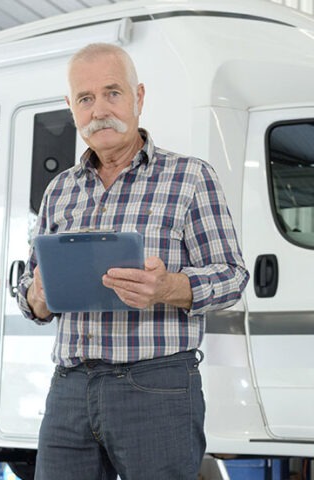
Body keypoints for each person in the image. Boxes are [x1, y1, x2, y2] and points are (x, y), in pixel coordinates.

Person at [17, 42, 249, 480]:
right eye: (85, 99)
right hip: (69, 387)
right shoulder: (59, 190)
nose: (99, 109)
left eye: (112, 92)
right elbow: (34, 298)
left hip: (157, 387)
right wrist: (38, 294)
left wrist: (169, 287)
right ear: (72, 108)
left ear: (139, 97)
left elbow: (234, 278)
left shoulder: (191, 177)